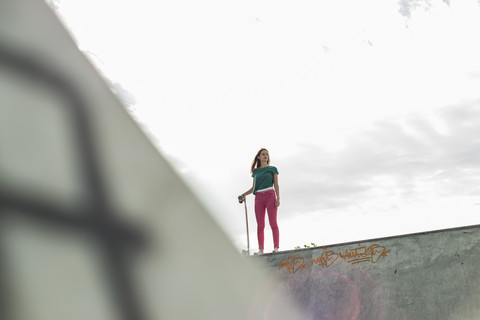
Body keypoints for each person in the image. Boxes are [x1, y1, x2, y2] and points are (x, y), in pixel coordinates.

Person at [238, 148, 280, 255]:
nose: (265, 156)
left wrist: (278, 198)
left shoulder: (273, 169)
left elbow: (276, 184)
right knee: (260, 225)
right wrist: (243, 194)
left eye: (267, 154)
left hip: (270, 195)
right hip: (258, 198)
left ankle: (276, 248)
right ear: (259, 157)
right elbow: (253, 188)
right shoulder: (256, 172)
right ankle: (261, 250)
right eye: (263, 154)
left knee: (273, 223)